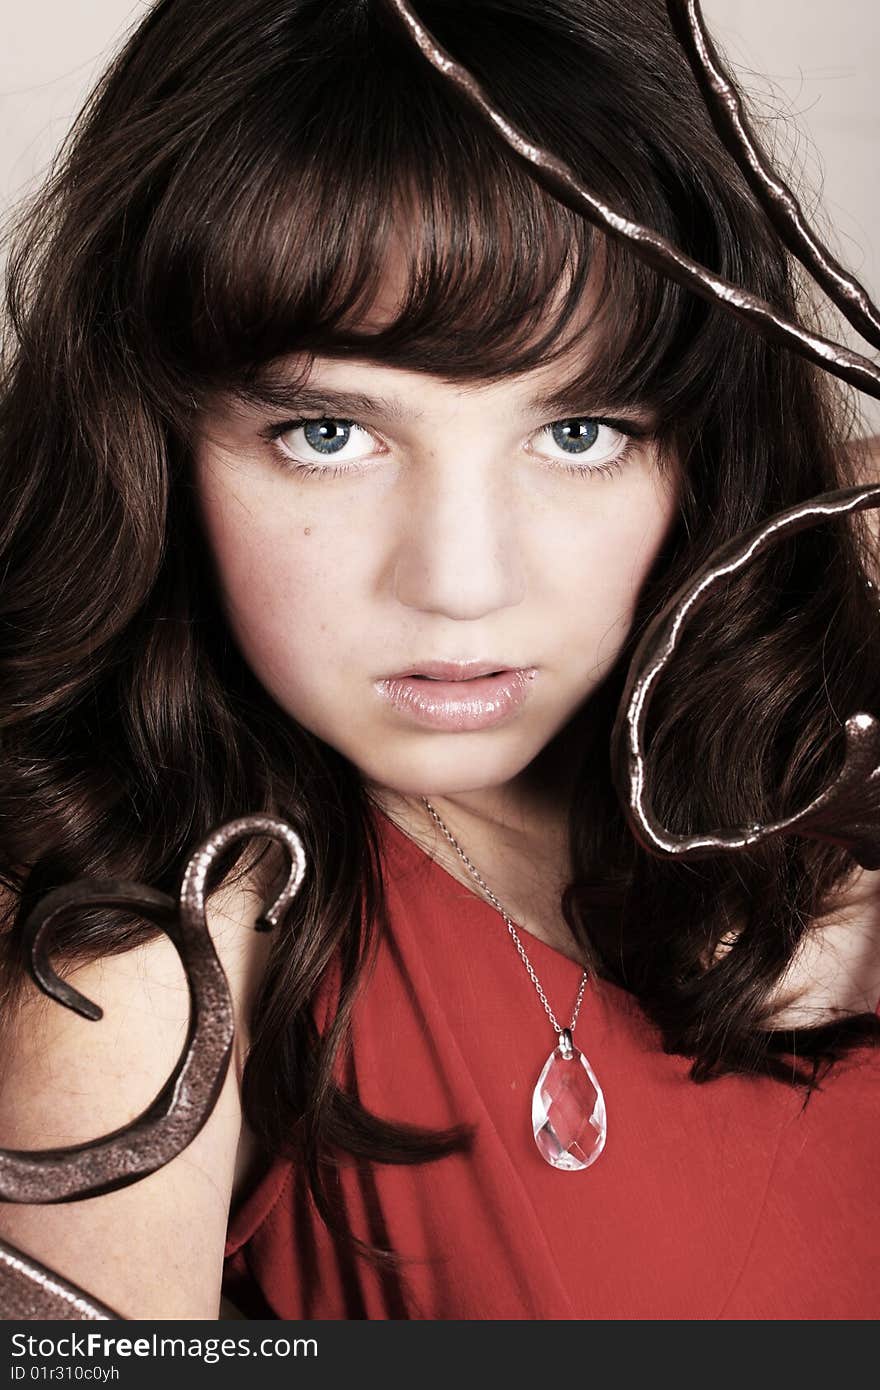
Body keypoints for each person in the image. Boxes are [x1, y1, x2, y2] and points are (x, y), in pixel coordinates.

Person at [1, 0, 879, 1321]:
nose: (461, 583)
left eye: (580, 430)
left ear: (707, 442)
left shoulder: (821, 731)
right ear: (154, 439)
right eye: (327, 433)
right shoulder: (140, 970)